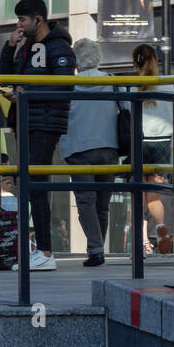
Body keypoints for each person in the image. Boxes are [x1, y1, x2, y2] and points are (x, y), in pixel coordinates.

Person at [0, 0, 75, 273]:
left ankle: (45, 250)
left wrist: (26, 94)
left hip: (44, 122)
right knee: (30, 185)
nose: (19, 25)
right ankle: (42, 250)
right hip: (26, 121)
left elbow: (65, 83)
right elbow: (5, 78)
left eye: (22, 19)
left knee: (36, 184)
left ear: (37, 19)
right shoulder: (27, 47)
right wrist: (9, 47)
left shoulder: (58, 45)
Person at [61, 38, 120, 266]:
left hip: (78, 149)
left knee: (86, 202)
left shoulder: (69, 84)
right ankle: (98, 247)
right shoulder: (113, 81)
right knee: (103, 204)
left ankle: (96, 249)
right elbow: (125, 109)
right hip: (108, 147)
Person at [131, 42, 174, 254]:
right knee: (154, 193)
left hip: (140, 141)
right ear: (156, 60)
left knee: (138, 192)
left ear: (135, 63)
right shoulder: (168, 84)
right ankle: (159, 227)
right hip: (163, 142)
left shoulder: (132, 85)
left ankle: (141, 242)